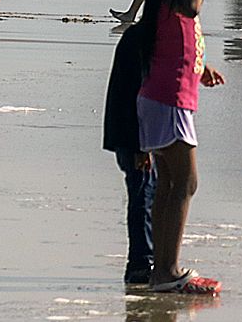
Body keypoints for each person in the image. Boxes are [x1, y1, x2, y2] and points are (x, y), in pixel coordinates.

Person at [135, 0, 226, 295]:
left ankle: (163, 270)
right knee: (185, 182)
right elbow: (190, 10)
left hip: (169, 97)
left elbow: (174, 42)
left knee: (172, 184)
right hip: (169, 100)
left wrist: (199, 68)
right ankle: (168, 270)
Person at [102, 19, 156, 285]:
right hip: (135, 137)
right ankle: (141, 264)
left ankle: (148, 260)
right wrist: (139, 145)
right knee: (143, 196)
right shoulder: (143, 39)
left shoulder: (141, 36)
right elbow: (132, 92)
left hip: (138, 135)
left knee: (148, 195)